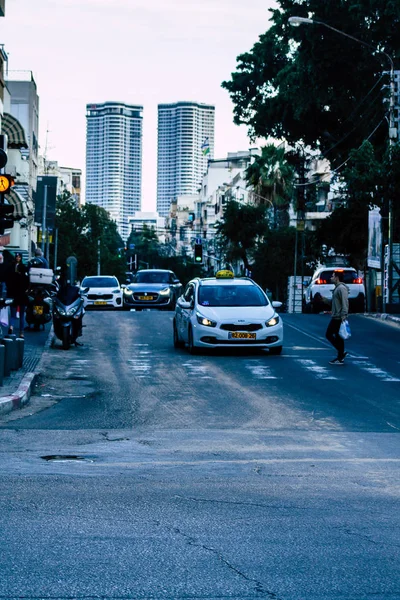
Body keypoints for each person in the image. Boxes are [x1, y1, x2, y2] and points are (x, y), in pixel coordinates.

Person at [325, 270, 349, 365]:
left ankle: (341, 354)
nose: (331, 278)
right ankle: (340, 357)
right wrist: (325, 300)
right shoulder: (337, 288)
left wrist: (344, 315)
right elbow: (335, 303)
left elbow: (345, 302)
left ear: (337, 278)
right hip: (336, 315)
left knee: (329, 334)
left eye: (333, 276)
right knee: (338, 337)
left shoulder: (341, 288)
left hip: (338, 317)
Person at [7, 252, 29, 337]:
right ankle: (21, 331)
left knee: (13, 314)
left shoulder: (11, 268)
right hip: (21, 294)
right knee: (21, 314)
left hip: (14, 294)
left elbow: (8, 281)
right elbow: (27, 281)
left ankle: (12, 327)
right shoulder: (23, 268)